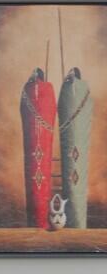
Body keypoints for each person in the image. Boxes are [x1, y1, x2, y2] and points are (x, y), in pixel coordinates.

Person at [21, 66, 58, 229]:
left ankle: (43, 221)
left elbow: (51, 108)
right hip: (31, 136)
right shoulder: (27, 88)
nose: (34, 77)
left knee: (42, 175)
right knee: (34, 176)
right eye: (33, 74)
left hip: (45, 135)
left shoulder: (48, 89)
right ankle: (36, 223)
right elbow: (24, 107)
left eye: (37, 74)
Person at [62, 65, 92, 231]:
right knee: (71, 179)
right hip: (68, 133)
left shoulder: (82, 88)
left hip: (79, 135)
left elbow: (87, 105)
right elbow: (61, 104)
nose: (71, 76)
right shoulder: (66, 89)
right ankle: (70, 222)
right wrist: (66, 85)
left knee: (77, 178)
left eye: (73, 74)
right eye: (70, 74)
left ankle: (78, 224)